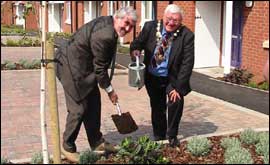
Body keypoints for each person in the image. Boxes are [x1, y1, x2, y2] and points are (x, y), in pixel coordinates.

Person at [54, 7, 137, 163]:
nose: (127, 28)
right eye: (126, 23)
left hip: (84, 68)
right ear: (117, 18)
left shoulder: (109, 25)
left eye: (131, 26)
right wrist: (110, 91)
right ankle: (67, 146)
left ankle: (97, 142)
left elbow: (99, 66)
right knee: (79, 108)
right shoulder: (105, 35)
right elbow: (100, 69)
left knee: (93, 102)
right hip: (71, 68)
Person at [130, 4, 194, 147]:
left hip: (172, 78)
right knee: (157, 107)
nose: (171, 23)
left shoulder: (187, 35)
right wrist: (135, 51)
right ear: (163, 17)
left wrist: (178, 87)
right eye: (169, 19)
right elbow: (137, 43)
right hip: (153, 76)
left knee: (175, 102)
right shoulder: (150, 27)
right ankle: (159, 136)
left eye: (175, 21)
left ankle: (172, 135)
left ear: (180, 21)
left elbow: (187, 64)